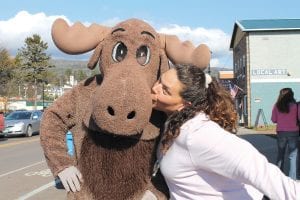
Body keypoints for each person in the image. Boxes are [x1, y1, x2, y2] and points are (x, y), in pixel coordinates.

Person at [151, 64, 300, 200]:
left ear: (185, 104)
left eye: (165, 90)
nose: (155, 88)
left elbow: (259, 170)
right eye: (159, 80)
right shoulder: (172, 122)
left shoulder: (199, 135)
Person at [271, 88, 300, 180]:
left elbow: (273, 119)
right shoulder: (296, 106)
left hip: (281, 132)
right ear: (291, 95)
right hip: (293, 132)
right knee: (293, 156)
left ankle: (278, 177)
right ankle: (292, 179)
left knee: (280, 155)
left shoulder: (277, 106)